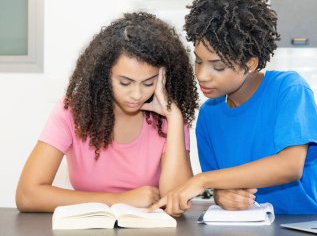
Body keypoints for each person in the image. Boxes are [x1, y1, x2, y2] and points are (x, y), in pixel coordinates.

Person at [150, 0, 317, 216]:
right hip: (252, 228)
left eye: (217, 66)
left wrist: (203, 180)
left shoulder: (288, 89)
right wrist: (221, 195)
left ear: (249, 64)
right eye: (198, 61)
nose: (202, 75)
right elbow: (223, 185)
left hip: (310, 226)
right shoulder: (209, 115)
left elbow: (290, 166)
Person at [16, 12, 198, 213]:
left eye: (148, 83)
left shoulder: (168, 118)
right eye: (125, 83)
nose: (137, 95)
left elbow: (176, 204)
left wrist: (174, 117)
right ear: (104, 75)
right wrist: (118, 200)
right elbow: (27, 195)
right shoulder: (73, 112)